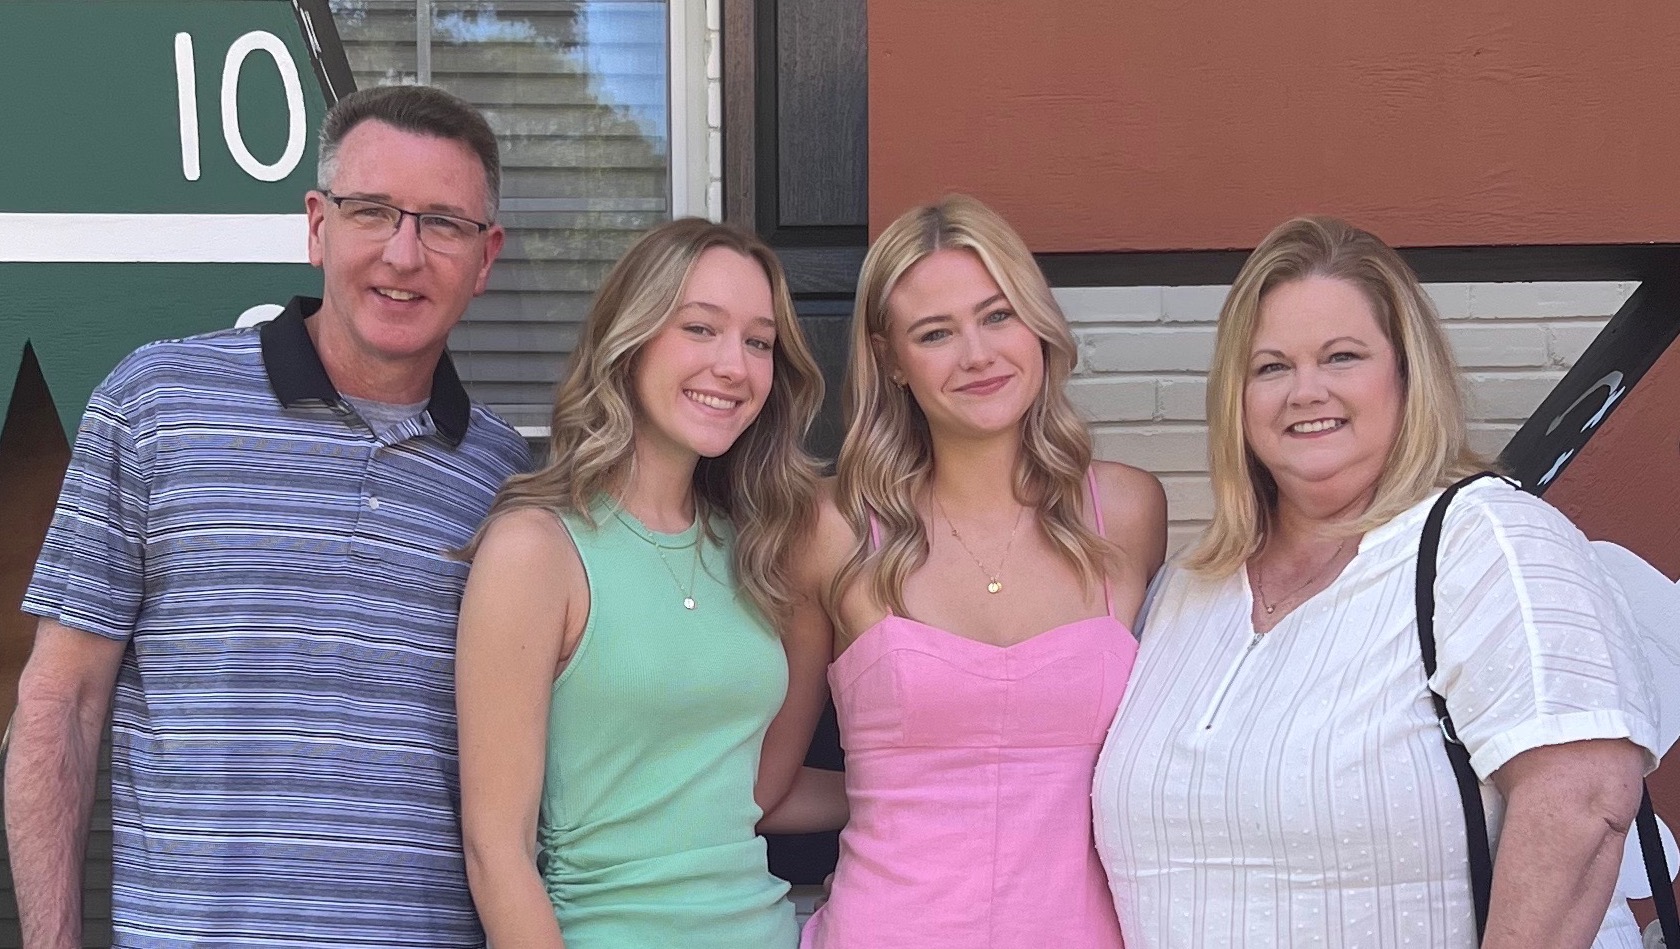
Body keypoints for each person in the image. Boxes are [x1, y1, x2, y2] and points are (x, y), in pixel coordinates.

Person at [5, 84, 530, 947]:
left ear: (486, 256)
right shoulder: (156, 405)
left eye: (443, 223)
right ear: (318, 225)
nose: (403, 254)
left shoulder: (508, 481)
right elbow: (61, 701)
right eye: (372, 211)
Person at [1092, 216, 1660, 949]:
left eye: (1342, 356)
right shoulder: (1185, 591)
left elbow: (1584, 801)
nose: (1306, 391)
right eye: (1271, 367)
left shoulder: (1485, 539)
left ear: (1406, 373)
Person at [780, 194, 1167, 948]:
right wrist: (892, 786)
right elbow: (767, 781)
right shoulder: (831, 527)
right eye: (935, 333)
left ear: (1038, 324)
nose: (978, 354)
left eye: (998, 316)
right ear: (890, 360)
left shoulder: (1125, 511)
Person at [454, 217, 825, 948]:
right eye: (701, 328)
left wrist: (948, 789)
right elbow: (496, 851)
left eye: (759, 342)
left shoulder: (755, 548)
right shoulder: (537, 549)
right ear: (631, 340)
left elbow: (749, 791)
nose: (734, 366)